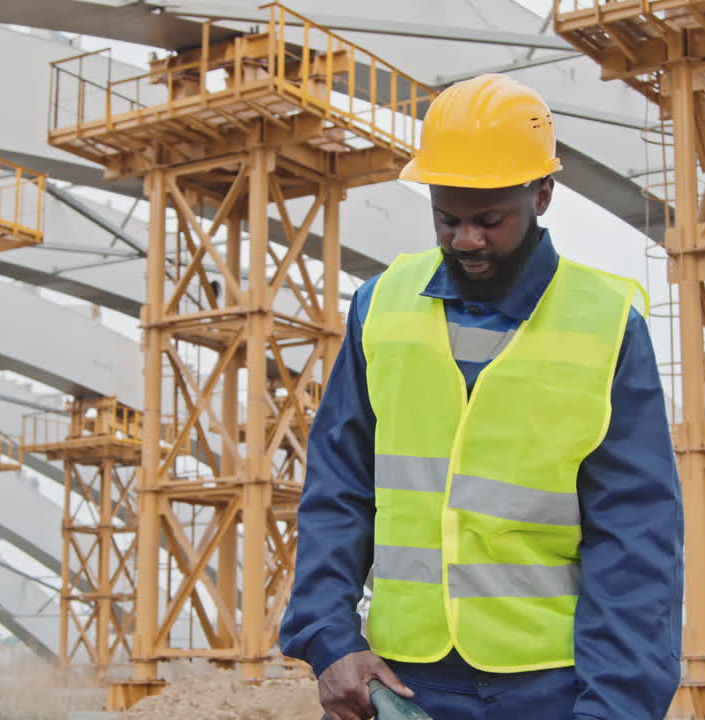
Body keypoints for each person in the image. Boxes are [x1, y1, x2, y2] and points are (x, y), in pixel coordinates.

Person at [279, 73, 684, 720]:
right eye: (449, 218)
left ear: (542, 194)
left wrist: (617, 706)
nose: (467, 239)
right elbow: (338, 489)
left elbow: (635, 538)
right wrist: (329, 641)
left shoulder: (606, 326)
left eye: (489, 220)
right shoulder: (380, 309)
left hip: (550, 690)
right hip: (402, 684)